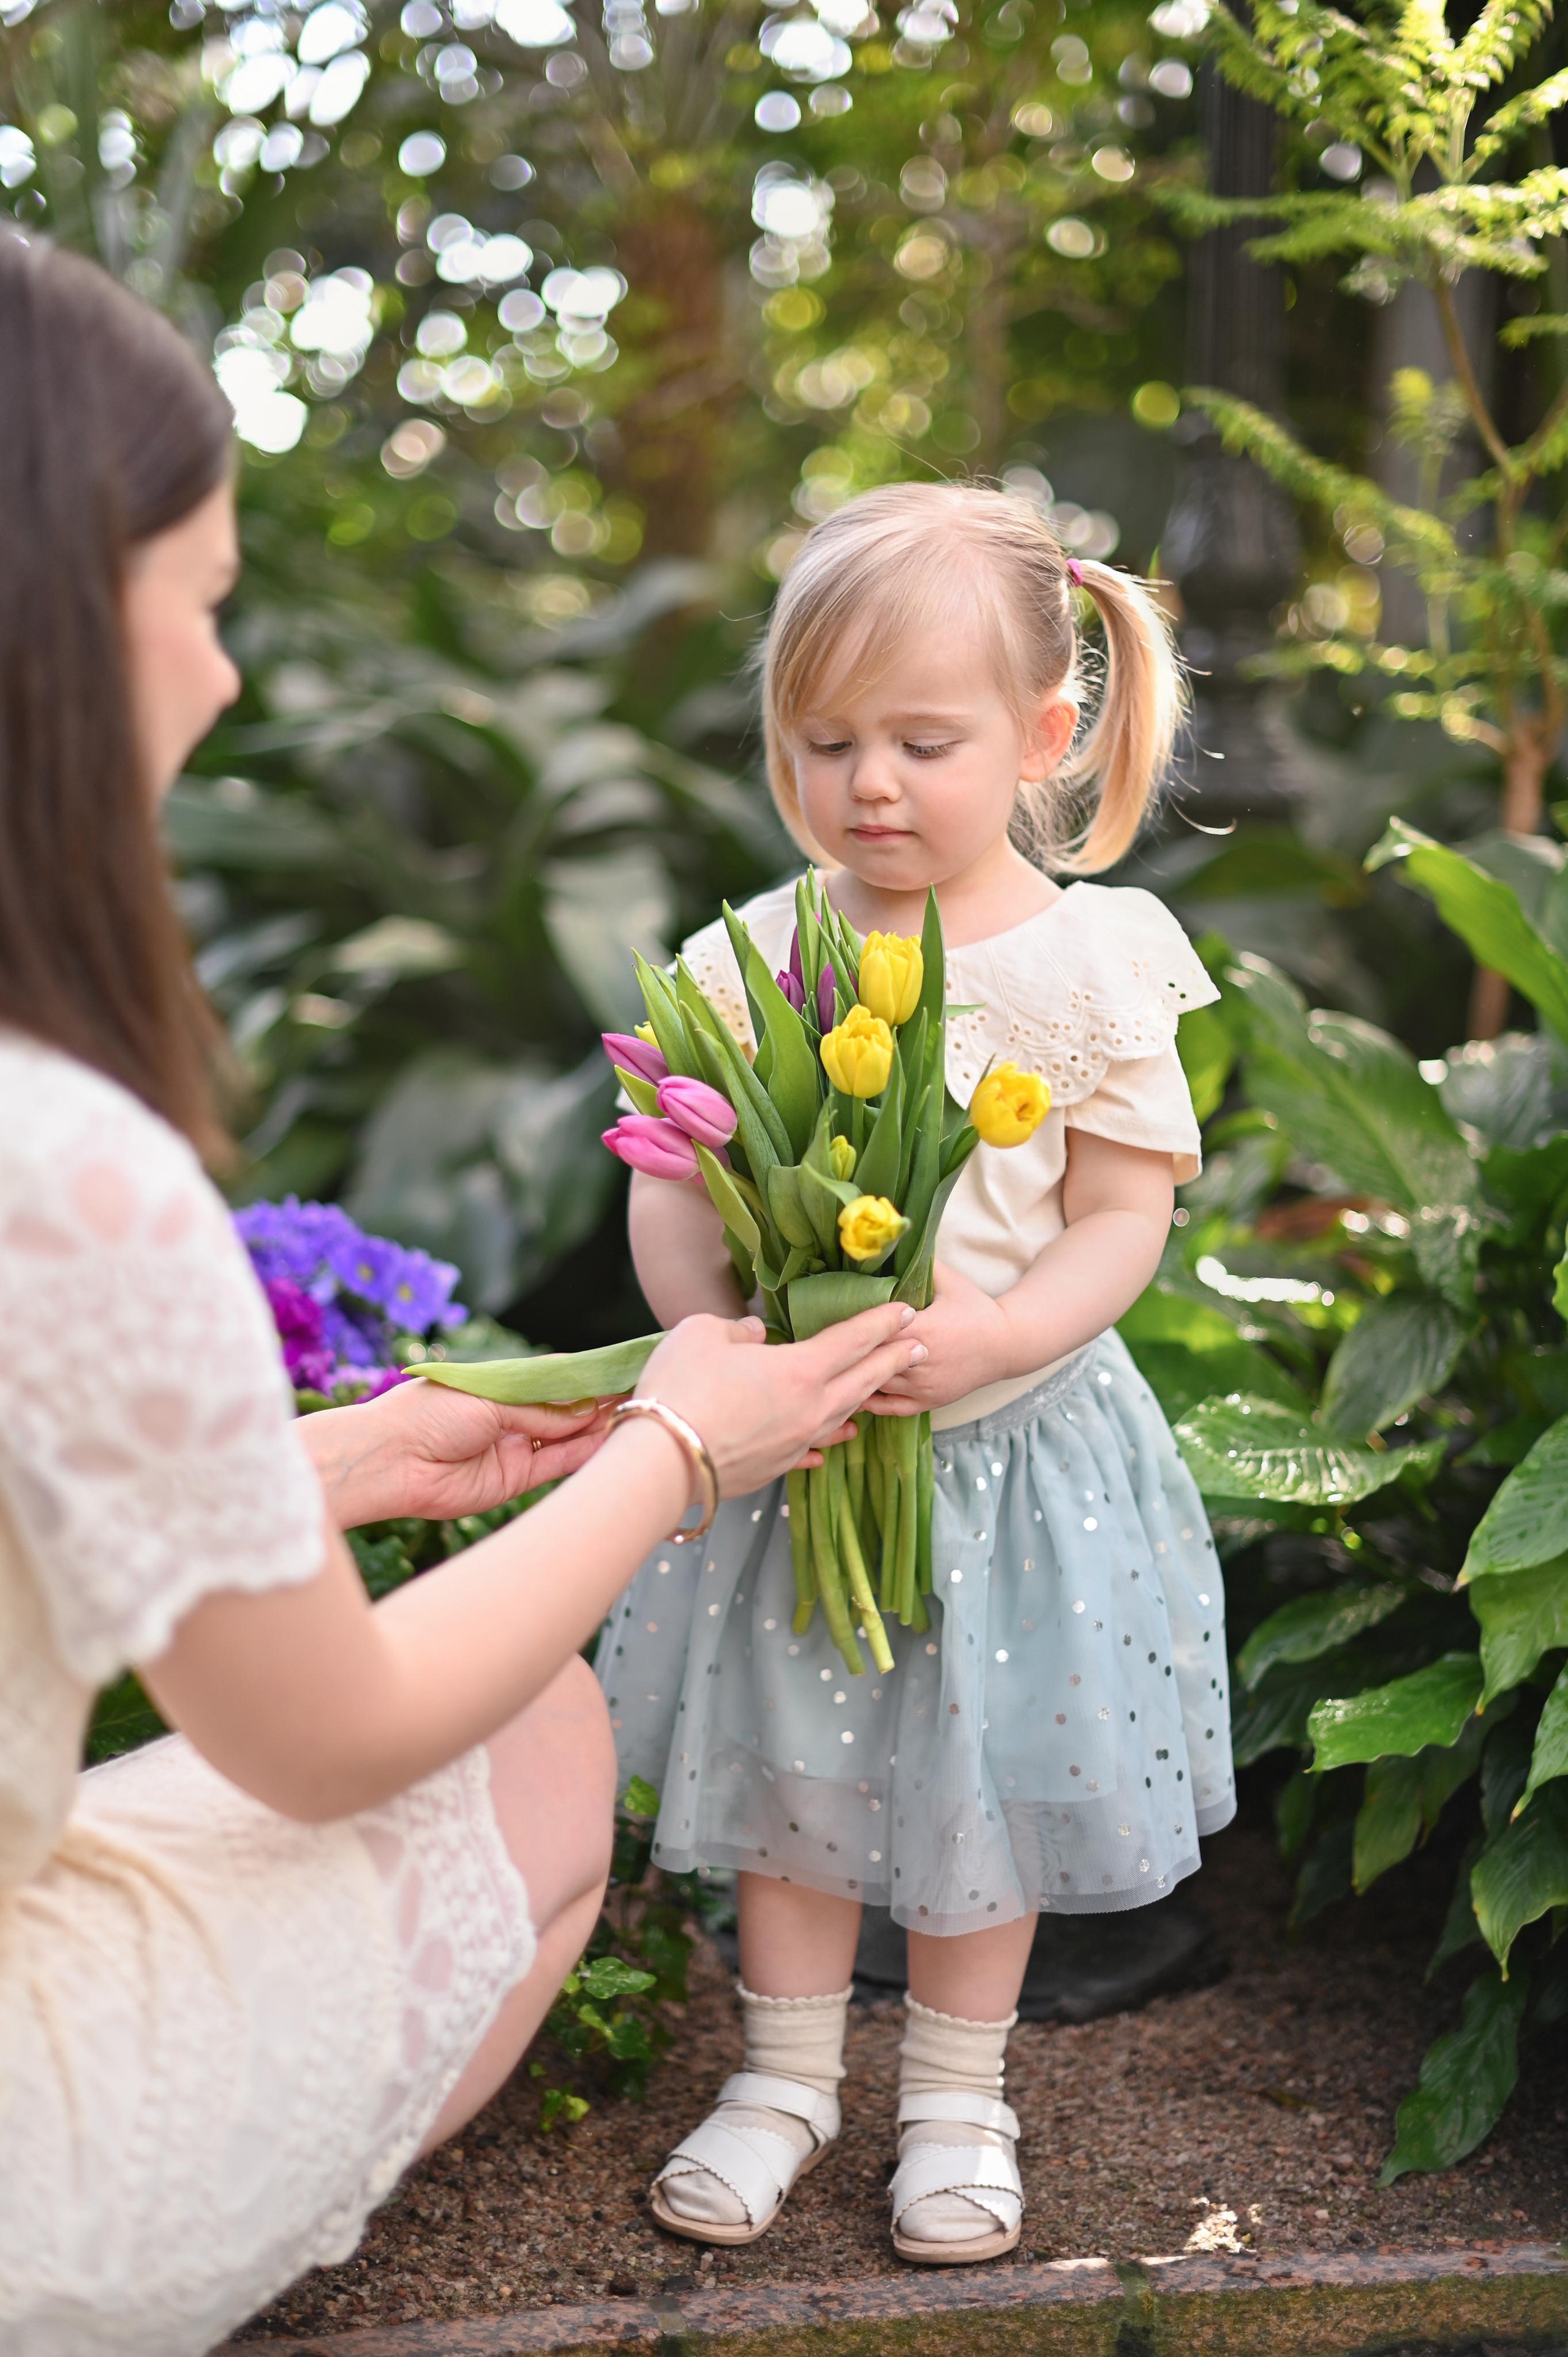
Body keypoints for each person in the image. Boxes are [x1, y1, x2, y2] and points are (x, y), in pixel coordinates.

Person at [0, 236, 928, 2356]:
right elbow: (325, 1744)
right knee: (532, 1733)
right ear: (53, 626)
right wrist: (688, 1447)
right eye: (204, 604)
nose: (224, 678)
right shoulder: (57, 1161)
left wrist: (336, 1456)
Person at [600, 482, 1238, 2265]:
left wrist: (1001, 1333)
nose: (871, 783)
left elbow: (1122, 1214)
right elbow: (676, 1181)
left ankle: (959, 2096)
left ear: (1045, 737)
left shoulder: (1090, 964)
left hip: (1014, 1455)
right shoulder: (761, 956)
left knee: (988, 1781)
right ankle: (785, 2077)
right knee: (793, 1770)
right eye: (827, 742)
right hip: (806, 1452)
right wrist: (716, 1334)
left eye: (923, 741)